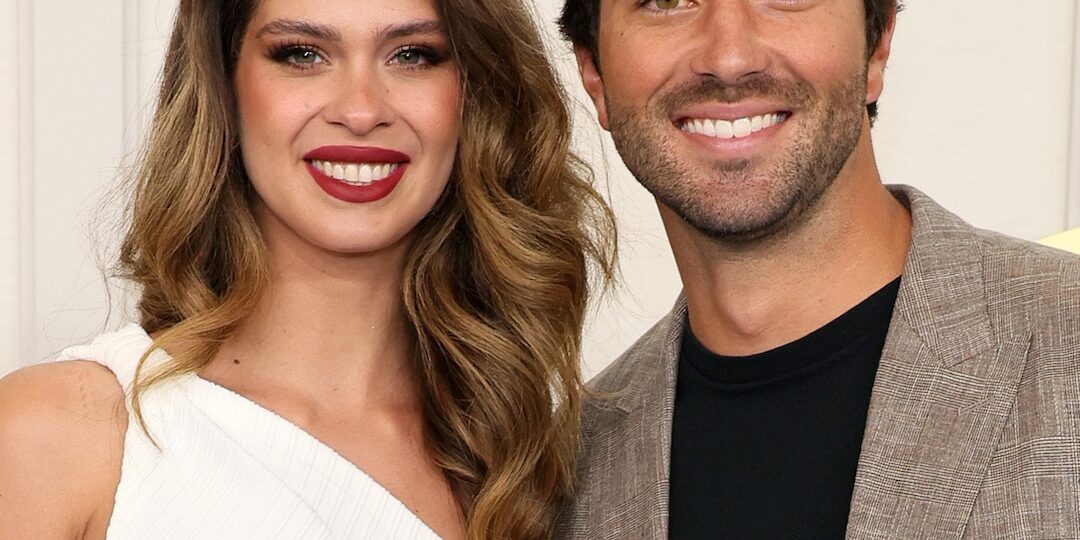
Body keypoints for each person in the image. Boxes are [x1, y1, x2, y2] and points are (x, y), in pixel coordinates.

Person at [0, 0, 615, 538]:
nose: (361, 110)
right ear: (225, 86)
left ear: (474, 94)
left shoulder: (528, 470)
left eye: (412, 55)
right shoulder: (59, 436)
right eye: (301, 54)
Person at [556, 0, 1080, 538]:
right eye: (667, 0)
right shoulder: (553, 487)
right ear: (593, 70)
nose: (730, 58)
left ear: (877, 43)